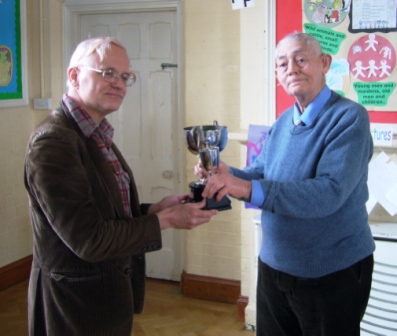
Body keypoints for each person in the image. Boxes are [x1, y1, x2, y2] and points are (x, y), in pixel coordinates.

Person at [24, 37, 218, 336]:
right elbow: (89, 239)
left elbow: (103, 211)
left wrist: (154, 209)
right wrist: (164, 220)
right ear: (74, 76)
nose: (120, 84)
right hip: (76, 305)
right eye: (108, 73)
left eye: (126, 76)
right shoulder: (55, 141)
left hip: (108, 296)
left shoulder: (95, 133)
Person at [196, 32, 375, 336]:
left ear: (324, 63)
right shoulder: (282, 122)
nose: (291, 68)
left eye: (301, 59)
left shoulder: (349, 118)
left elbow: (328, 193)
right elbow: (262, 173)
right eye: (281, 64)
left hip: (331, 273)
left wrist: (247, 188)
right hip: (274, 267)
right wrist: (229, 174)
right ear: (278, 75)